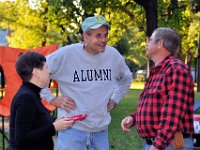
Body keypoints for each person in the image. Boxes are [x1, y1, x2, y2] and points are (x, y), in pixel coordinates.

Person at [41, 15, 133, 150]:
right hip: (71, 130)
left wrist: (116, 99)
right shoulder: (67, 54)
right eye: (98, 35)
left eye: (106, 35)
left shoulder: (113, 55)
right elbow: (36, 71)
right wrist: (52, 99)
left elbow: (126, 78)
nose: (103, 40)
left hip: (101, 130)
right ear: (85, 36)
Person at [121, 27, 194, 150]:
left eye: (150, 40)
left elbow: (173, 113)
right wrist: (134, 118)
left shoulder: (176, 69)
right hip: (156, 144)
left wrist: (157, 145)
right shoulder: (157, 71)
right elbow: (157, 107)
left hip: (169, 145)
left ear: (160, 43)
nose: (147, 43)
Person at [8, 51, 74, 150]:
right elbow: (22, 138)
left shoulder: (32, 94)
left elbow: (35, 124)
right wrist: (54, 127)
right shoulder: (26, 98)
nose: (50, 72)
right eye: (46, 67)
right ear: (36, 72)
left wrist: (56, 122)